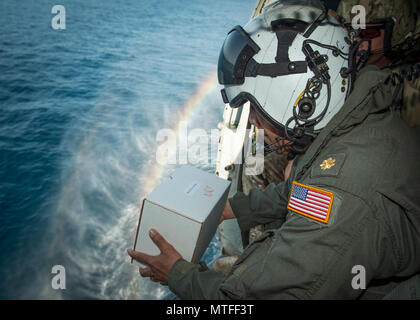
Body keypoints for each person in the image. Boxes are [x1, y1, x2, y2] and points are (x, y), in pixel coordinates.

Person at [128, 0, 420, 299]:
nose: (253, 122)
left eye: (256, 110)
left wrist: (177, 273)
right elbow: (302, 194)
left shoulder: (345, 192)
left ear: (304, 103)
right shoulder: (353, 127)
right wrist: (231, 209)